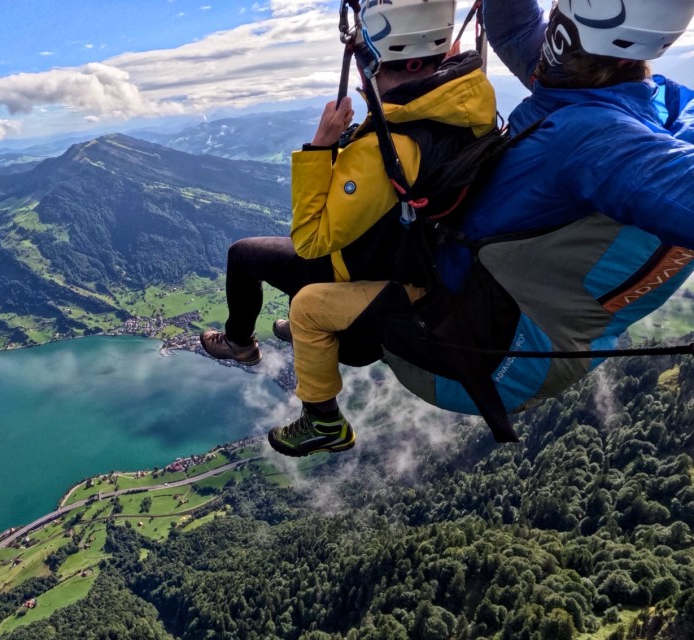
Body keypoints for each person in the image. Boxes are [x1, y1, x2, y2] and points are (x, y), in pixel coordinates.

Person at [268, 0, 694, 457]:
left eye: (560, 18)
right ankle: (331, 334)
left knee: (311, 305)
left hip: (483, 355)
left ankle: (323, 412)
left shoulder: (598, 143)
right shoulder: (589, 88)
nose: (548, 31)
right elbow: (513, 25)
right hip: (478, 303)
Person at [199, 0, 497, 386]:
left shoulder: (388, 148)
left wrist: (321, 147)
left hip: (359, 276)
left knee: (242, 255)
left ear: (370, 62)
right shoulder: (467, 111)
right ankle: (297, 325)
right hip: (409, 266)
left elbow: (309, 241)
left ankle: (240, 342)